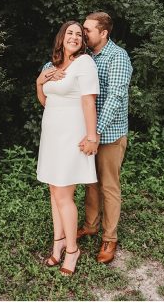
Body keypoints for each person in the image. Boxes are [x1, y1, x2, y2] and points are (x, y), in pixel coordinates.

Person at [35, 20, 99, 276]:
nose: (74, 37)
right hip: (51, 135)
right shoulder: (53, 67)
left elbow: (88, 102)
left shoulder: (85, 63)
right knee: (54, 192)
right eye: (69, 33)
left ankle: (72, 250)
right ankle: (58, 241)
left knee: (63, 195)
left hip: (71, 136)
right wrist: (40, 82)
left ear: (82, 42)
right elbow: (45, 101)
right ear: (61, 38)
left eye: (78, 34)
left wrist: (92, 136)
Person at [75, 11, 132, 264]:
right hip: (90, 134)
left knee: (109, 186)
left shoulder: (118, 57)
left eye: (87, 29)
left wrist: (95, 132)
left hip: (109, 134)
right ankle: (91, 225)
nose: (83, 33)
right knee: (90, 183)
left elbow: (116, 98)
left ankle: (110, 238)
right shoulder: (87, 57)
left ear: (104, 33)